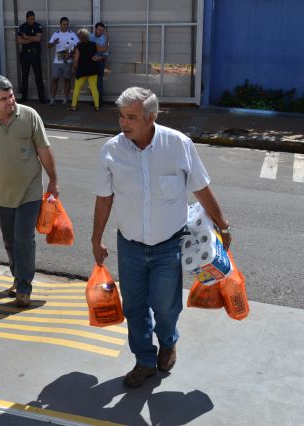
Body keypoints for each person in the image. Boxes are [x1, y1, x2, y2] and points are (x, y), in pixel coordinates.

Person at [91, 87, 231, 388]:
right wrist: (96, 238)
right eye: (121, 116)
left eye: (131, 117)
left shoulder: (177, 144)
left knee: (165, 306)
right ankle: (144, 360)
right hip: (129, 245)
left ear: (151, 117)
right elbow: (104, 198)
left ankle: (168, 341)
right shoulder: (111, 150)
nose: (123, 123)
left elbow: (201, 187)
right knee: (134, 306)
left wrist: (222, 224)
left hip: (169, 245)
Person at [0, 75, 58, 307]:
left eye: (11, 96)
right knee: (10, 241)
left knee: (24, 238)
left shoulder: (29, 115)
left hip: (30, 190)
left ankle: (24, 287)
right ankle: (17, 276)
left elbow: (44, 149)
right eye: (4, 99)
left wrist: (53, 180)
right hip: (2, 193)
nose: (10, 101)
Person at [16, 11, 48, 104]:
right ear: (27, 18)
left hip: (35, 54)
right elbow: (19, 40)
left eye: (33, 19)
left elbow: (38, 39)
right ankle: (24, 97)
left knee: (38, 76)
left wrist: (26, 37)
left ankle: (41, 98)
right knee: (24, 76)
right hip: (25, 54)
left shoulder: (38, 26)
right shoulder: (22, 27)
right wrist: (32, 39)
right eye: (30, 19)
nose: (32, 21)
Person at [47, 17, 78, 105]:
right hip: (57, 61)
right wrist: (54, 43)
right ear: (60, 24)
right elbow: (49, 45)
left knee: (67, 80)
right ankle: (52, 98)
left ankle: (65, 98)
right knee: (55, 79)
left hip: (68, 61)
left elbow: (78, 46)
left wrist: (71, 54)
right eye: (64, 24)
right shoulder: (56, 34)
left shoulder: (72, 34)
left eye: (67, 24)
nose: (65, 26)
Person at [69, 28, 100, 112]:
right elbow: (97, 54)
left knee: (76, 89)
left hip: (82, 70)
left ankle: (73, 106)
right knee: (94, 88)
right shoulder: (94, 44)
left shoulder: (78, 46)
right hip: (93, 69)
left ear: (80, 37)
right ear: (87, 36)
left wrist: (73, 68)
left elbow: (76, 60)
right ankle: (97, 107)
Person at [89, 22, 109, 105]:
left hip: (100, 62)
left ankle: (98, 102)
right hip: (90, 62)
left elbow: (105, 55)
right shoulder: (90, 37)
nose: (100, 32)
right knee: (91, 82)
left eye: (102, 30)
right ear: (95, 29)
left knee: (99, 82)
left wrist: (99, 58)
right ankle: (94, 100)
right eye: (99, 30)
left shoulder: (104, 39)